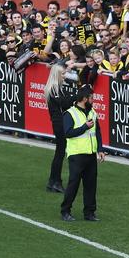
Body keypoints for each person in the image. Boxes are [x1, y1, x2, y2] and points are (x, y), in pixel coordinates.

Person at [60, 85, 105, 221]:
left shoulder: (93, 112)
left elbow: (97, 131)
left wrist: (100, 149)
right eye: (91, 98)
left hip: (90, 154)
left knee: (91, 185)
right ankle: (65, 211)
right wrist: (84, 127)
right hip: (77, 155)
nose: (93, 100)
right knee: (73, 184)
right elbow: (68, 133)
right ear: (85, 99)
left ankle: (89, 212)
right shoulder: (70, 113)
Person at [44, 63, 74, 193]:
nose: (64, 76)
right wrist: (77, 97)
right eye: (62, 74)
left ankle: (53, 181)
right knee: (60, 152)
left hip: (59, 122)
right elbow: (64, 103)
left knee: (60, 152)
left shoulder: (56, 88)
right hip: (59, 122)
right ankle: (55, 181)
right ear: (56, 75)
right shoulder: (53, 89)